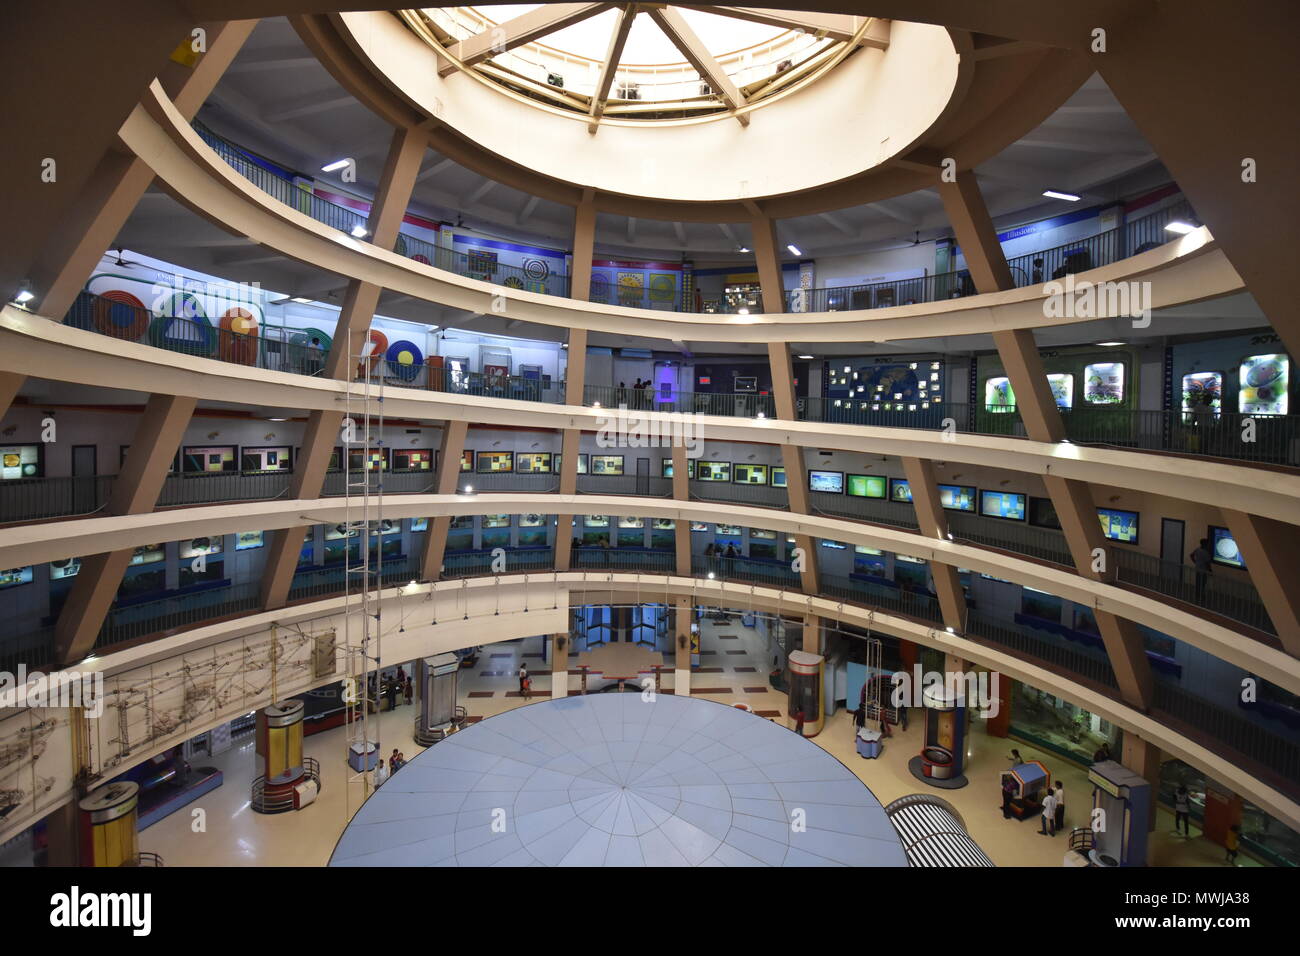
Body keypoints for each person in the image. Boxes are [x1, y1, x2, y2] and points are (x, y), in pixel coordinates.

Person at [1189, 538, 1213, 604]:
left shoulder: (1197, 549)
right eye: (1208, 544)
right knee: (1203, 583)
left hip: (1198, 568)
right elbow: (1207, 563)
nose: (1209, 545)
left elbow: (1191, 555)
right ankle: (1201, 595)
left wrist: (1195, 562)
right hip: (1203, 570)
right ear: (1205, 544)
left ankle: (1197, 594)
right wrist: (1210, 571)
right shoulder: (1205, 553)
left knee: (1198, 582)